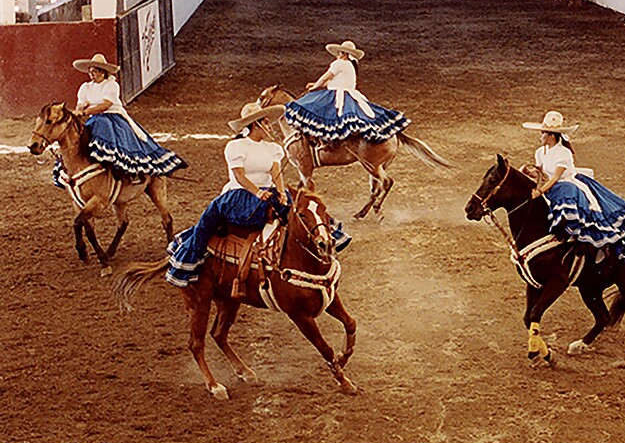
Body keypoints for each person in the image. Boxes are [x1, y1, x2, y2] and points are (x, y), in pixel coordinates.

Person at [165, 103, 349, 287]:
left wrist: (281, 192)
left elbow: (276, 173)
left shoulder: (272, 148)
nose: (270, 127)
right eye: (267, 123)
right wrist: (257, 192)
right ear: (255, 125)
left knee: (304, 207)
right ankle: (189, 261)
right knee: (208, 220)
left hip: (268, 192)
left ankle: (327, 236)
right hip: (240, 194)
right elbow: (239, 175)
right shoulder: (236, 146)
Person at [523, 110, 625, 261]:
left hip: (566, 187)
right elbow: (542, 173)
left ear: (551, 135)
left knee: (573, 207)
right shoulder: (540, 152)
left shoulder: (564, 153)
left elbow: (555, 178)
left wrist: (539, 192)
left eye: (542, 133)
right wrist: (528, 172)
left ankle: (589, 245)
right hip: (552, 188)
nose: (540, 136)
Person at [66, 53, 186, 180]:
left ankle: (116, 165)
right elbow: (81, 103)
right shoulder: (86, 87)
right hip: (94, 118)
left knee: (103, 125)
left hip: (112, 117)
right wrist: (78, 111)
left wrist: (85, 112)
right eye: (90, 72)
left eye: (94, 71)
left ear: (103, 72)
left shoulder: (111, 85)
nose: (92, 75)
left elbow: (105, 105)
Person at [284, 41, 409, 145]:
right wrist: (316, 84)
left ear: (343, 54)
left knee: (312, 107)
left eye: (339, 53)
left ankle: (321, 141)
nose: (337, 55)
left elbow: (326, 77)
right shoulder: (350, 66)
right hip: (350, 94)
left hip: (338, 95)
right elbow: (337, 82)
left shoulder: (339, 63)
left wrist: (315, 87)